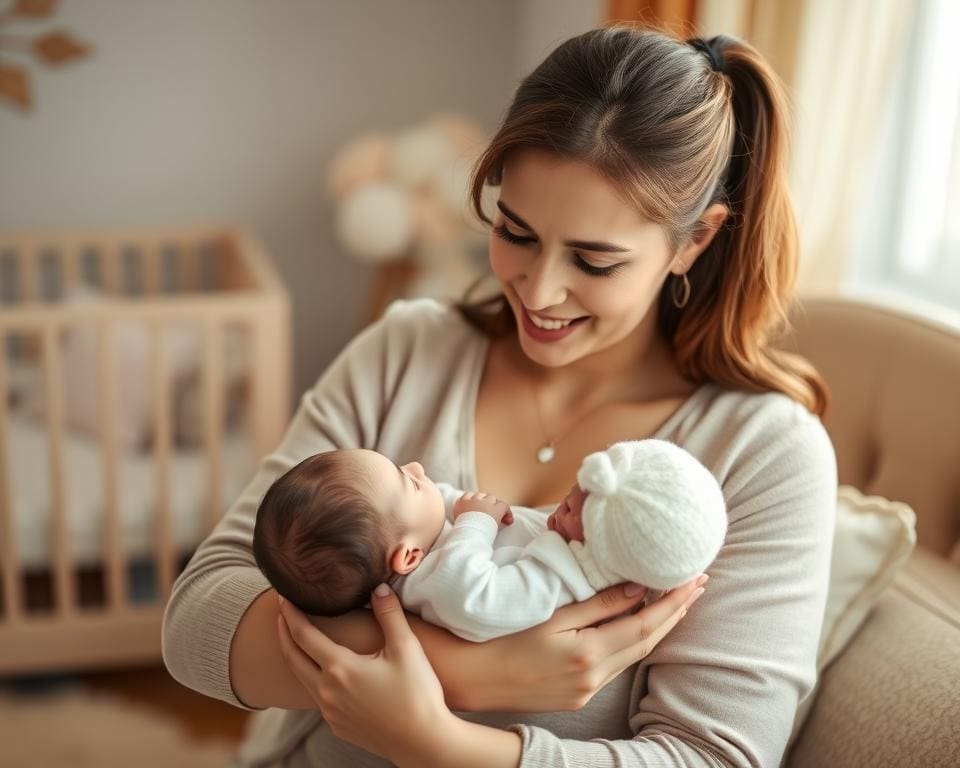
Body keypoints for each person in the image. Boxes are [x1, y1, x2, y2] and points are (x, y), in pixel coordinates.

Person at [162, 25, 837, 768]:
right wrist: (469, 670)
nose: (539, 292)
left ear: (694, 241)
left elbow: (714, 757)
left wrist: (436, 740)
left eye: (593, 261)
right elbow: (197, 622)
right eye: (516, 232)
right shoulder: (407, 353)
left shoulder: (762, 452)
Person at [251, 440, 727, 641]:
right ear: (408, 557)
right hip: (569, 573)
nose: (418, 468)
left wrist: (464, 510)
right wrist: (476, 522)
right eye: (408, 481)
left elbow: (438, 506)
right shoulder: (439, 584)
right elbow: (479, 600)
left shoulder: (415, 541)